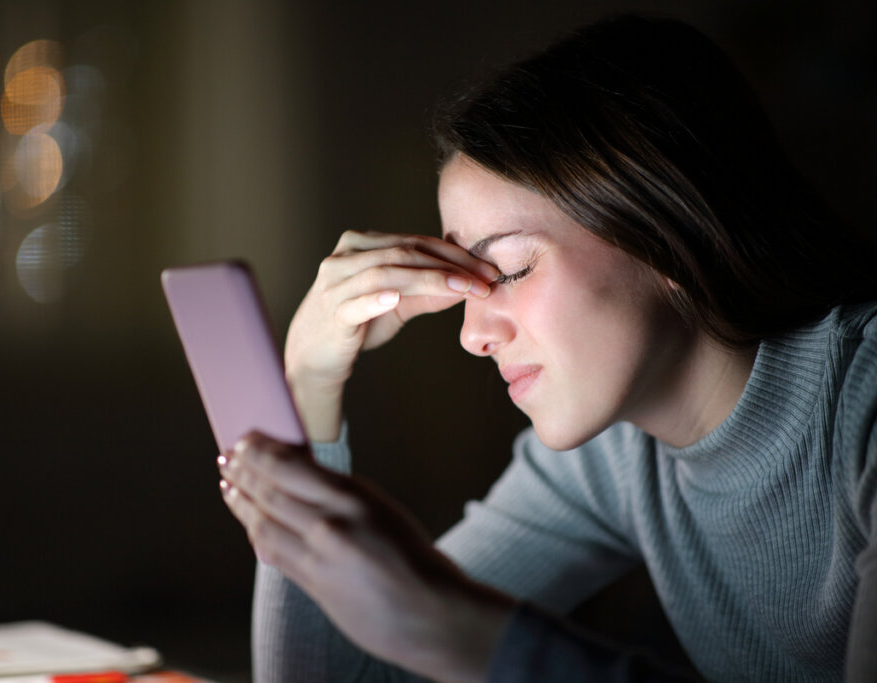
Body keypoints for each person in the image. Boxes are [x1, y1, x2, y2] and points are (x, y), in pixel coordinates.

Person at [215, 14, 877, 682]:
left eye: (509, 269)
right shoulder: (614, 457)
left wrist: (451, 623)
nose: (472, 336)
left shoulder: (864, 406)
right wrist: (305, 387)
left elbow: (430, 633)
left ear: (667, 234)